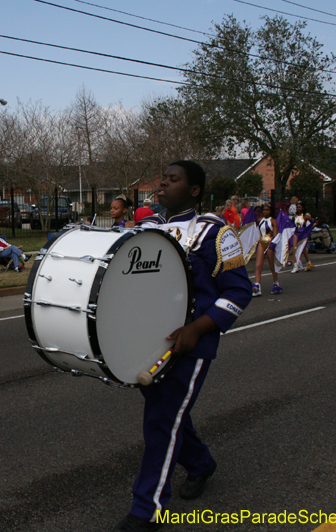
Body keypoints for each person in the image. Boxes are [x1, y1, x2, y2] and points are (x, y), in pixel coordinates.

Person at [116, 161, 252, 532]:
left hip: (191, 345)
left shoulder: (216, 232)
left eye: (172, 180)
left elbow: (240, 291)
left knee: (162, 419)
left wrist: (199, 327)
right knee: (169, 415)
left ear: (194, 190)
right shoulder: (147, 229)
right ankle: (201, 464)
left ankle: (147, 509)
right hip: (150, 342)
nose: (162, 185)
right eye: (162, 179)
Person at [252, 203, 281, 296]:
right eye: (264, 210)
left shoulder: (273, 221)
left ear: (270, 211)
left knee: (272, 265)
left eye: (267, 210)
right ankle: (257, 286)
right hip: (262, 244)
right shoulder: (260, 220)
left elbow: (276, 235)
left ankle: (276, 283)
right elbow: (257, 232)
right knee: (258, 265)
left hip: (269, 244)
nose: (265, 212)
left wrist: (272, 244)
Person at [291, 202, 315, 273]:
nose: (298, 208)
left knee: (304, 250)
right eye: (297, 207)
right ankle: (295, 266)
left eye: (300, 207)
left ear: (303, 208)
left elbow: (314, 222)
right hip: (296, 233)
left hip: (303, 234)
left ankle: (309, 263)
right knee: (295, 249)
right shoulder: (294, 217)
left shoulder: (305, 216)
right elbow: (291, 225)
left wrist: (310, 221)